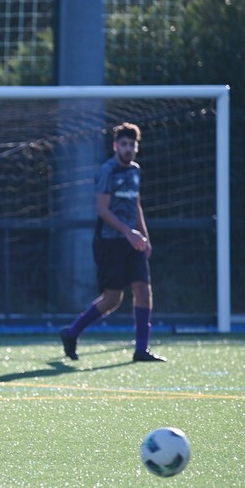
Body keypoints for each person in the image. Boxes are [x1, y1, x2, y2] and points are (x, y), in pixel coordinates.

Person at [60, 122, 165, 363]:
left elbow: (135, 205)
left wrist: (144, 235)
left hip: (132, 241)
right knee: (113, 298)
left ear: (136, 147)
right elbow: (103, 210)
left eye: (132, 145)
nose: (128, 149)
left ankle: (141, 349)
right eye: (124, 144)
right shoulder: (108, 171)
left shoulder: (135, 171)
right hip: (110, 241)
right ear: (116, 146)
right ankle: (71, 332)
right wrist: (129, 233)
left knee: (143, 290)